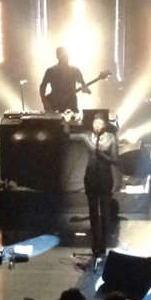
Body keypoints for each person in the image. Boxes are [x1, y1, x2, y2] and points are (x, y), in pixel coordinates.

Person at [70, 113, 118, 257]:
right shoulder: (87, 136)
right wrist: (66, 123)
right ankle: (95, 242)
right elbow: (68, 136)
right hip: (91, 178)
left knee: (104, 211)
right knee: (92, 211)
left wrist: (101, 154)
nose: (97, 126)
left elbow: (115, 160)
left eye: (100, 123)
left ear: (105, 125)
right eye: (95, 123)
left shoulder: (111, 138)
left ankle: (103, 244)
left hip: (105, 179)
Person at [39, 46, 90, 112]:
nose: (66, 57)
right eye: (63, 56)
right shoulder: (51, 71)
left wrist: (85, 88)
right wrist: (45, 102)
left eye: (66, 55)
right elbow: (42, 87)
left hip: (71, 106)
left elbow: (83, 83)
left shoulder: (75, 70)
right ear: (58, 56)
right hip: (56, 105)